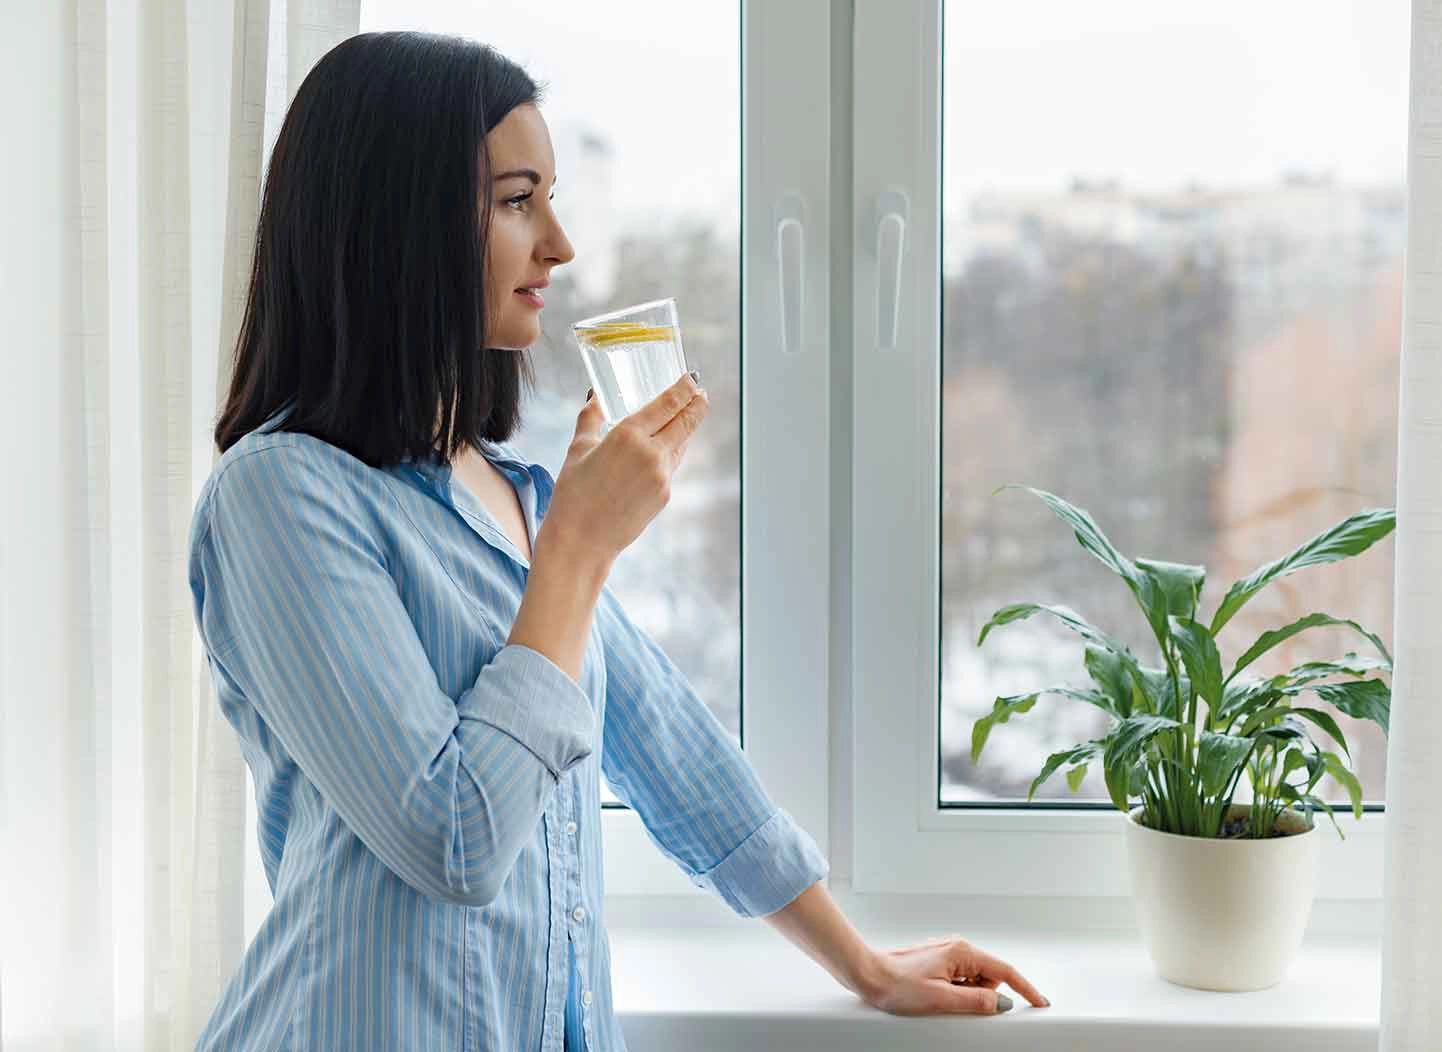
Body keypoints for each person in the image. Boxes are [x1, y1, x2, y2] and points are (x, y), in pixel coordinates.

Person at [187, 30, 1048, 1051]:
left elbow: (666, 744)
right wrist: (578, 550)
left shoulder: (501, 490)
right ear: (397, 226)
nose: (558, 242)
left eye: (549, 195)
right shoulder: (279, 497)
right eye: (516, 200)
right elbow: (453, 836)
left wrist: (856, 958)